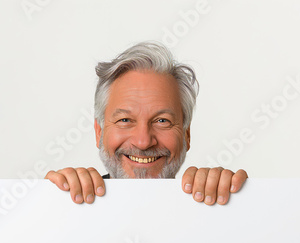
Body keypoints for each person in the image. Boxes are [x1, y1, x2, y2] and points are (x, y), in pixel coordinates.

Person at [45, 41, 248, 206]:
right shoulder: (59, 208)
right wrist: (40, 209)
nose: (143, 142)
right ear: (99, 132)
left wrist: (238, 204)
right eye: (125, 120)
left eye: (162, 121)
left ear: (186, 134)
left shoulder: (218, 210)